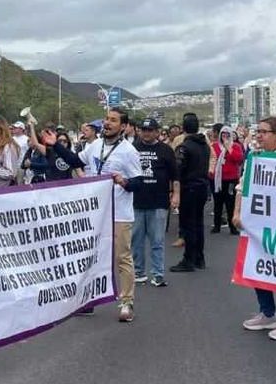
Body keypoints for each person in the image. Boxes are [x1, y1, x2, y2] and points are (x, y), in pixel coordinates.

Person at [232, 116, 276, 341]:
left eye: (264, 132)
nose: (259, 136)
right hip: (256, 225)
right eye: (258, 132)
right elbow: (242, 186)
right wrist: (237, 213)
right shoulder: (255, 156)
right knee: (259, 267)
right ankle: (267, 313)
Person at [74, 107, 143, 321]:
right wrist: (54, 145)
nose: (108, 123)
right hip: (97, 213)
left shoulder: (128, 151)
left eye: (113, 120)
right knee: (93, 257)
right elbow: (76, 161)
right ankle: (91, 299)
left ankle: (126, 303)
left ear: (123, 126)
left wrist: (124, 181)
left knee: (122, 258)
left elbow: (139, 183)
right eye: (106, 119)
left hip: (119, 214)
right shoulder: (95, 145)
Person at [130, 118, 179, 287]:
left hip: (159, 202)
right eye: (144, 129)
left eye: (150, 130)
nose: (147, 133)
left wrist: (176, 195)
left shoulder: (166, 150)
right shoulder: (132, 149)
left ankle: (158, 274)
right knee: (136, 240)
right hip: (135, 201)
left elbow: (175, 176)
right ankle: (139, 272)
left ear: (157, 132)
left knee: (157, 241)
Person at [171, 113, 211, 272]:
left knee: (188, 224)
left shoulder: (184, 147)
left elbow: (178, 171)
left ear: (183, 128)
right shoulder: (205, 145)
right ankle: (199, 258)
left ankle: (188, 259)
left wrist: (175, 192)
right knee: (198, 223)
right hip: (202, 186)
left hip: (188, 188)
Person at [210, 125, 245, 235]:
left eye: (227, 134)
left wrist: (229, 148)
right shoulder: (214, 146)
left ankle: (232, 227)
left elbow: (239, 159)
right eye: (223, 134)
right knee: (218, 203)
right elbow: (211, 160)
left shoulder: (235, 146)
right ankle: (217, 225)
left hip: (231, 179)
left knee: (230, 204)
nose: (225, 137)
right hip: (217, 179)